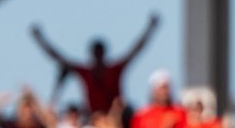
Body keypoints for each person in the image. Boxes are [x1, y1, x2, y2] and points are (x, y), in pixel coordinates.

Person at [30, 14, 160, 115]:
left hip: (117, 115)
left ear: (104, 54)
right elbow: (58, 57)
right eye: (95, 53)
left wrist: (150, 29)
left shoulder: (114, 69)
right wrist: (40, 39)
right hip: (93, 117)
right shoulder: (85, 72)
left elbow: (136, 49)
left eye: (100, 53)